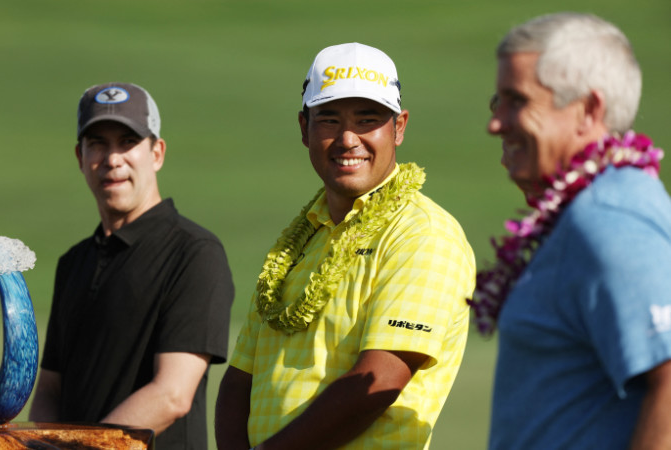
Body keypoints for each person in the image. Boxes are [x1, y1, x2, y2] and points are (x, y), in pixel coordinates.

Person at [215, 43, 476, 449]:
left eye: (368, 119)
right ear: (304, 128)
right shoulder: (298, 240)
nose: (348, 138)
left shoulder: (423, 233)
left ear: (399, 127)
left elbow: (379, 381)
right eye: (329, 119)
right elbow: (239, 380)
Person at [471, 12, 671, 449]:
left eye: (517, 100)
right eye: (496, 103)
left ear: (588, 110)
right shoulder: (593, 207)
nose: (495, 123)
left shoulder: (609, 216)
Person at [29, 82, 235, 449]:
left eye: (127, 142)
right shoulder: (74, 262)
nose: (112, 159)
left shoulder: (194, 252)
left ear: (156, 153)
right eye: (98, 144)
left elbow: (172, 395)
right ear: (80, 157)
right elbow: (49, 388)